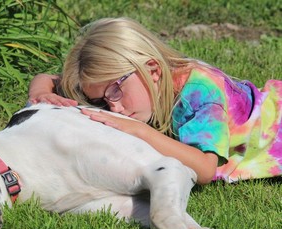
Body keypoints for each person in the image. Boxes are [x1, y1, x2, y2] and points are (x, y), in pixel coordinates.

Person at [27, 17, 282, 184]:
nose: (113, 107)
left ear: (152, 70)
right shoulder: (124, 82)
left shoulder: (199, 94)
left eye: (116, 91)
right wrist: (41, 94)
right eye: (103, 101)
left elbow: (205, 168)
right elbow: (49, 77)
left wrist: (141, 131)